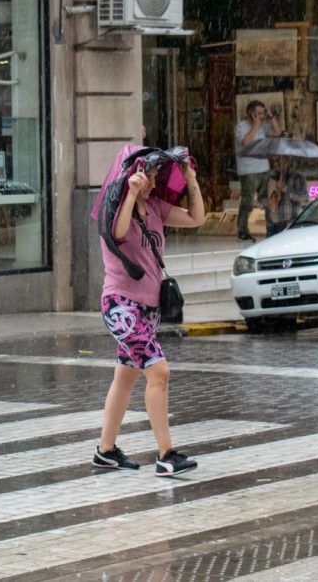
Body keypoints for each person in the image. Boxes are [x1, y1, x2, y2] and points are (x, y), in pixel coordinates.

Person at [93, 153, 205, 477]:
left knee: (125, 377)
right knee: (159, 373)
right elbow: (118, 232)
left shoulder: (156, 207)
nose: (154, 181)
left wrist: (190, 179)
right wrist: (129, 192)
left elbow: (196, 218)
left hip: (149, 308)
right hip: (122, 307)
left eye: (157, 175)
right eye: (151, 174)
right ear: (134, 172)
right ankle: (166, 454)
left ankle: (106, 451)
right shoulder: (114, 206)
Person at [235, 101, 281, 241]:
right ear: (251, 113)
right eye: (259, 113)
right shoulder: (241, 126)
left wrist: (271, 115)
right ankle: (243, 229)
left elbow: (277, 132)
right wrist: (255, 126)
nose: (261, 116)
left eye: (263, 113)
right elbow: (246, 142)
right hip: (249, 170)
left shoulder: (263, 125)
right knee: (248, 201)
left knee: (268, 199)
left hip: (264, 167)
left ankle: (271, 227)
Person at [257, 154, 308, 237]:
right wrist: (269, 202)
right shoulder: (269, 177)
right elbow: (259, 200)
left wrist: (285, 189)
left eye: (282, 160)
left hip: (289, 226)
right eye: (276, 160)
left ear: (289, 161)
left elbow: (304, 199)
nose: (279, 163)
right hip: (272, 225)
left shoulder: (298, 177)